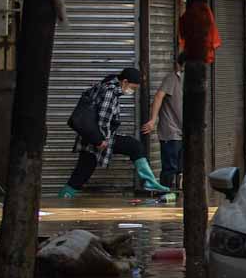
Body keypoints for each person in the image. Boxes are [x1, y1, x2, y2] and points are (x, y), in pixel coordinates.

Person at [61, 67, 172, 198]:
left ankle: (150, 182)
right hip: (96, 139)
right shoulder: (110, 92)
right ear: (124, 82)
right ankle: (64, 196)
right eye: (133, 87)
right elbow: (103, 120)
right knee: (83, 171)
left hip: (95, 137)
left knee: (133, 147)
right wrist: (100, 141)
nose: (132, 91)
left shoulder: (106, 86)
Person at [142, 52, 185, 195]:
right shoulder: (172, 78)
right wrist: (153, 120)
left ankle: (178, 195)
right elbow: (159, 96)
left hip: (184, 132)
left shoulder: (188, 80)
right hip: (171, 132)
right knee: (170, 167)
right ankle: (164, 193)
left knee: (181, 167)